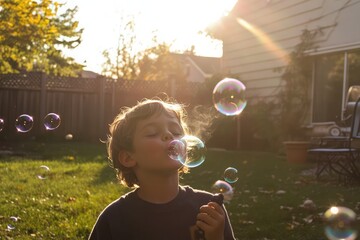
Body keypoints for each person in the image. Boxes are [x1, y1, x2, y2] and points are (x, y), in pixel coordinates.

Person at [88, 98, 235, 240]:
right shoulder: (114, 218)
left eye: (176, 132)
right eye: (152, 133)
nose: (169, 135)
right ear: (128, 157)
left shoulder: (209, 208)